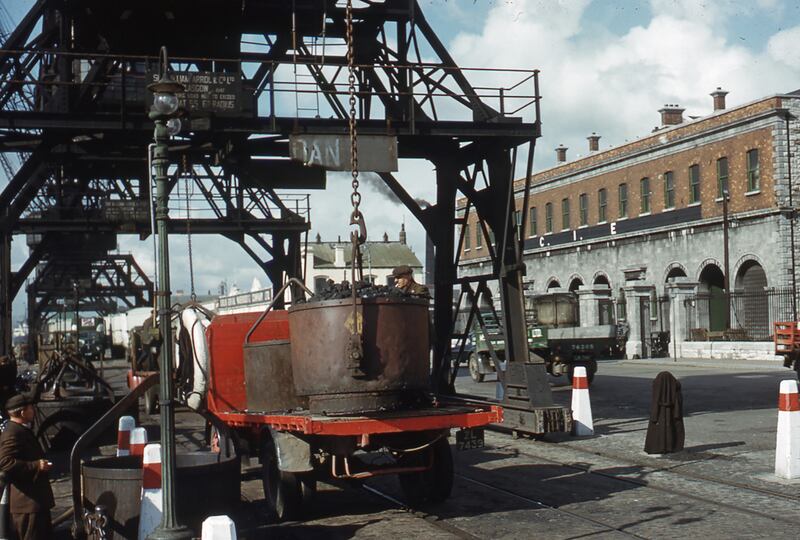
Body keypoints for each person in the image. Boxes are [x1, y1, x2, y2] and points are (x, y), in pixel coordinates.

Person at [0, 392, 54, 540]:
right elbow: (5, 461)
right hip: (27, 505)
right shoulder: (13, 433)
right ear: (23, 412)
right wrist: (36, 465)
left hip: (35, 503)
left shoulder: (21, 430)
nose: (33, 411)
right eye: (31, 408)